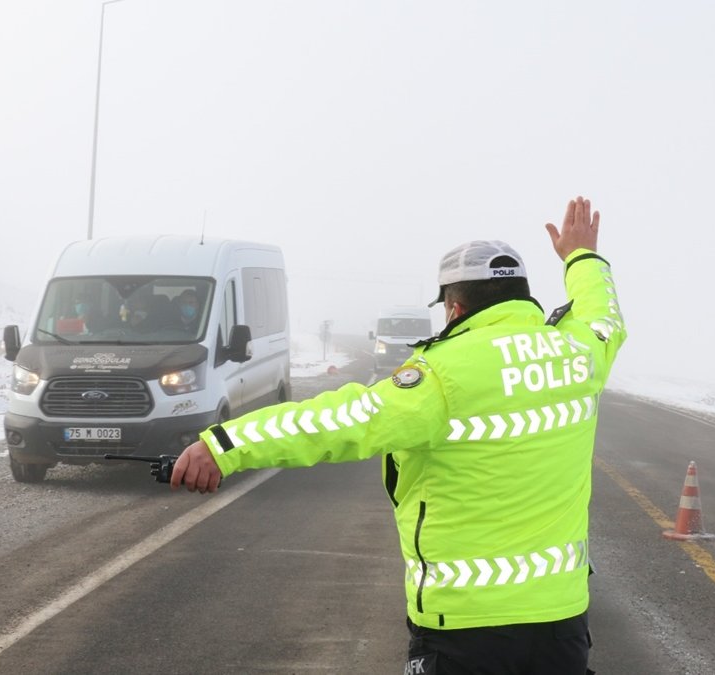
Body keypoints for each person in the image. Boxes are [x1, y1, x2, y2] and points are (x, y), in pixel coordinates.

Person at [170, 196, 625, 675]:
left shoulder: (442, 375)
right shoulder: (579, 352)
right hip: (561, 623)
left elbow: (335, 421)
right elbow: (604, 316)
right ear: (523, 296)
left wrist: (224, 445)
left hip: (465, 627)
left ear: (454, 306)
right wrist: (583, 258)